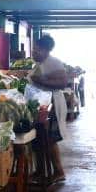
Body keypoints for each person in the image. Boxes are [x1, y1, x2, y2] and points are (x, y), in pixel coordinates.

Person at [29, 34, 68, 181]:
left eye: (37, 49)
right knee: (40, 139)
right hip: (42, 105)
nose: (34, 52)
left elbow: (63, 82)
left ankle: (59, 172)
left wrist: (41, 81)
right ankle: (40, 171)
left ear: (46, 50)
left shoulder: (54, 63)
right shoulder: (39, 64)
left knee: (51, 139)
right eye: (34, 49)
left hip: (52, 105)